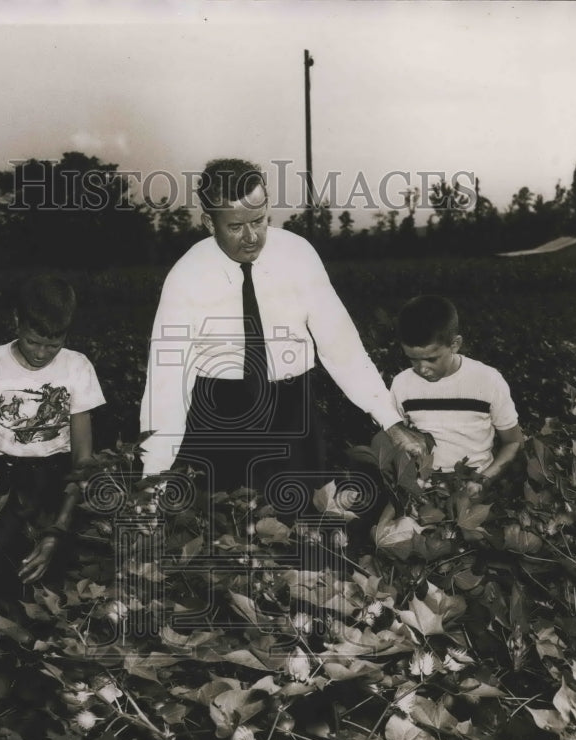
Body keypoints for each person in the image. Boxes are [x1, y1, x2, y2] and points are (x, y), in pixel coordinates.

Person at [138, 157, 420, 496]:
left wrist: (391, 422)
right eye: (235, 227)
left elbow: (341, 347)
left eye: (259, 221)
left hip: (292, 416)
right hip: (218, 420)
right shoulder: (185, 278)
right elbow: (166, 384)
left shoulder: (299, 256)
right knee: (227, 532)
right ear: (209, 223)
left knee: (304, 532)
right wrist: (152, 479)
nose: (251, 237)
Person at [0, 273, 106, 595]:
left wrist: (56, 532)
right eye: (33, 341)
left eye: (53, 345)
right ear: (17, 321)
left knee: (53, 590)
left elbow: (82, 459)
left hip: (55, 487)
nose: (42, 353)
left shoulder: (78, 367)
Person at [389, 295, 523, 496]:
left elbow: (513, 442)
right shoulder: (402, 384)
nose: (423, 369)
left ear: (455, 344)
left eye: (431, 359)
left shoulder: (487, 380)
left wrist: (484, 481)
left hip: (476, 483)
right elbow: (394, 437)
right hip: (423, 487)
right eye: (413, 360)